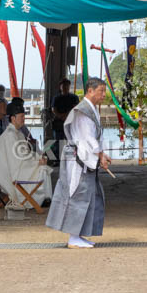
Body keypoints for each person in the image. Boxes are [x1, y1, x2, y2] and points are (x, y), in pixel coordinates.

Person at [45, 77, 111, 249]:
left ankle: (78, 235)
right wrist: (101, 155)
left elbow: (96, 137)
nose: (104, 95)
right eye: (101, 91)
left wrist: (103, 153)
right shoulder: (82, 112)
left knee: (88, 196)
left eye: (104, 91)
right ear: (90, 91)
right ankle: (73, 237)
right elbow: (87, 138)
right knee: (77, 196)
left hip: (86, 157)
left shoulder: (91, 110)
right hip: (78, 160)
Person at [0, 102, 52, 208]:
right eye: (21, 116)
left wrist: (38, 158)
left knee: (43, 165)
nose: (24, 119)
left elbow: (25, 154)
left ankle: (43, 198)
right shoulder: (9, 136)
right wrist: (36, 162)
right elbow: (16, 161)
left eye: (24, 116)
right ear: (13, 118)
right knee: (41, 168)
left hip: (19, 167)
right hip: (13, 173)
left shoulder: (18, 133)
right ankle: (40, 199)